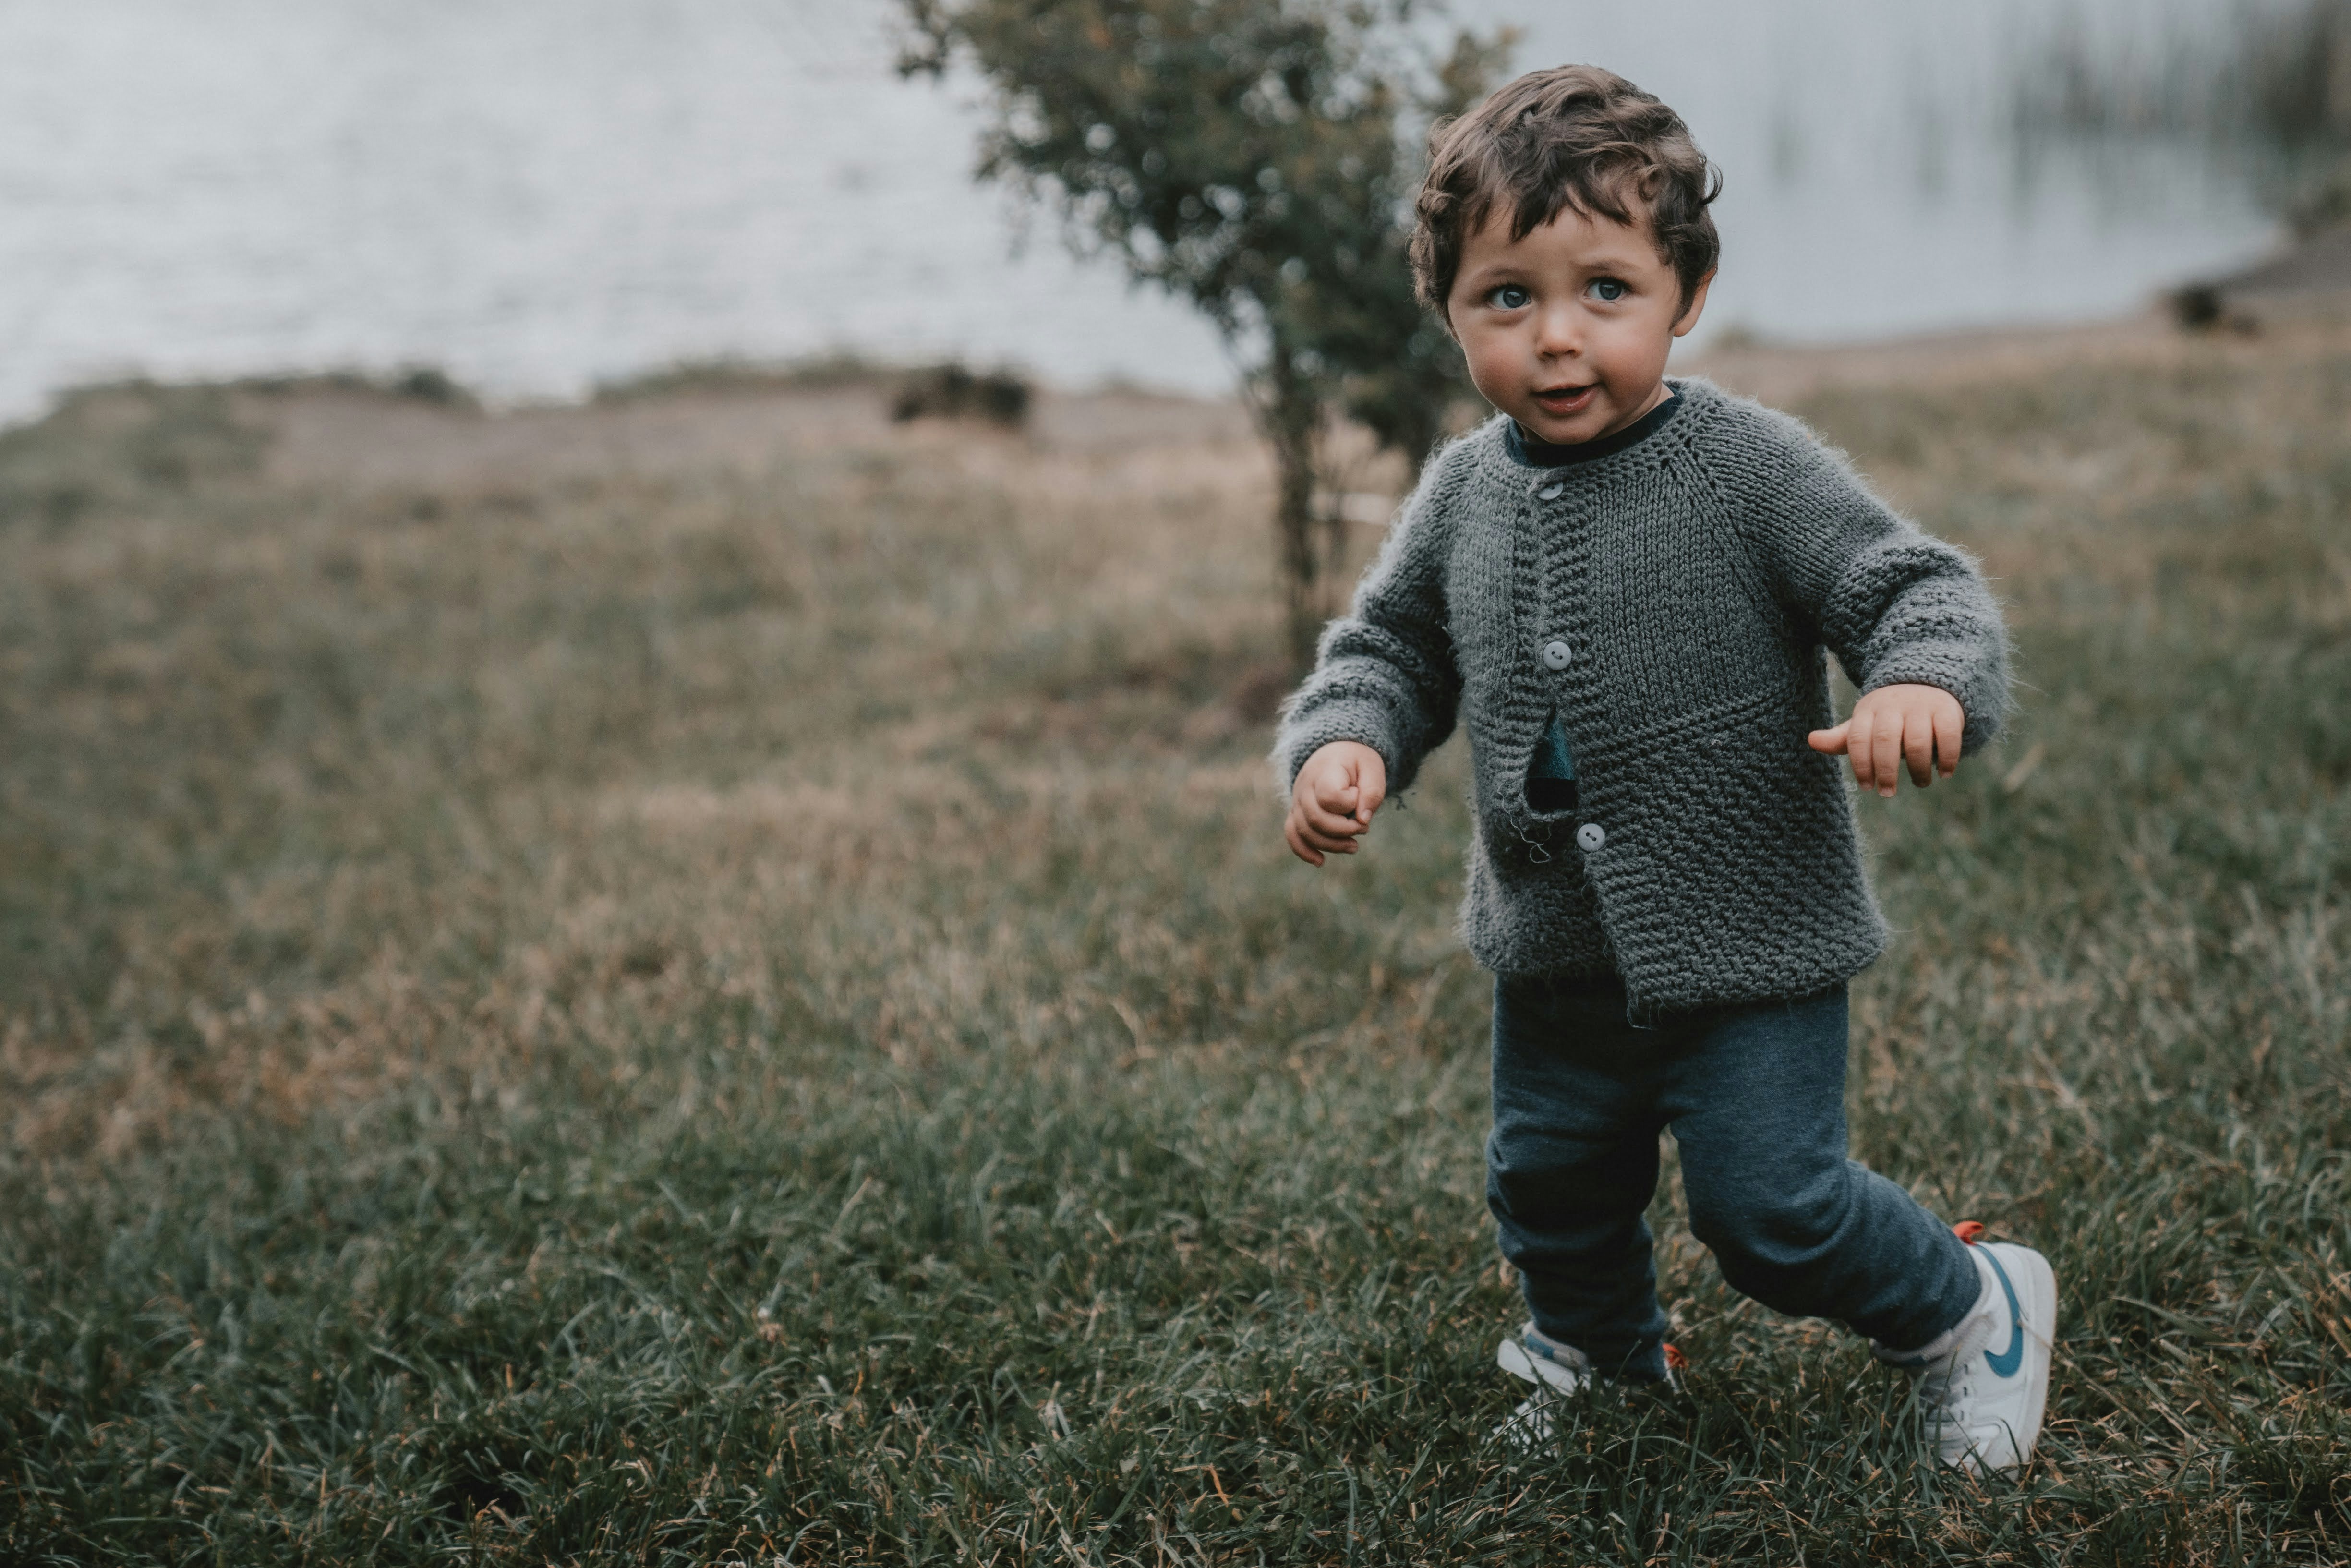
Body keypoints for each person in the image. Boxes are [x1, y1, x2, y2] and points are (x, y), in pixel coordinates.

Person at [1272, 64, 2055, 1474]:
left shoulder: (1747, 470)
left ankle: (1968, 1307)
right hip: (1553, 949)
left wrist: (1919, 681)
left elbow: (1910, 590)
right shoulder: (1463, 493)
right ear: (1449, 311)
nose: (1557, 339)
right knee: (1550, 1183)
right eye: (1506, 297)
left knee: (1771, 1210)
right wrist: (1345, 740)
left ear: (1683, 294)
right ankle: (1601, 1354)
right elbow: (1389, 649)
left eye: (1604, 292)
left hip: (1751, 939)